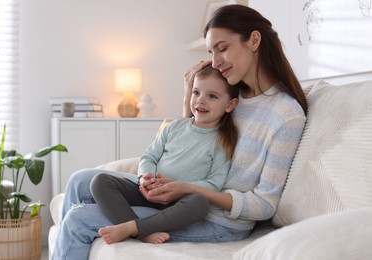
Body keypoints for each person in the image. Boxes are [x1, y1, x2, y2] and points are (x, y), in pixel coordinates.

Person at [52, 4, 307, 259]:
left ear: (253, 40)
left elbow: (264, 204)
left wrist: (189, 189)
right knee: (80, 180)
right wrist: (188, 96)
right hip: (179, 192)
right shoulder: (229, 91)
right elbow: (193, 139)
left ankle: (127, 230)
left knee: (79, 219)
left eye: (223, 48)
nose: (216, 63)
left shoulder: (285, 115)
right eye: (211, 52)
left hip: (212, 217)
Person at [90, 65, 239, 245]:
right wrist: (145, 178)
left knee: (200, 204)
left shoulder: (222, 141)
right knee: (100, 181)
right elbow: (149, 157)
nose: (201, 101)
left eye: (212, 96)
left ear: (230, 105)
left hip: (180, 201)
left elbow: (215, 183)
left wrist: (181, 187)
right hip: (151, 191)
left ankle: (133, 229)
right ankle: (142, 233)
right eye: (196, 93)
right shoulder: (174, 126)